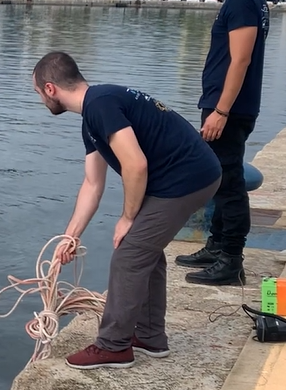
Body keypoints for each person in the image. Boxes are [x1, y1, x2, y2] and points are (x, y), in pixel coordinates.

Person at [33, 52, 222, 370]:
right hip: (188, 176)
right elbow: (93, 184)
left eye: (37, 92)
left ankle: (113, 345)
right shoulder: (94, 114)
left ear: (50, 88)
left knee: (129, 254)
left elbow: (136, 165)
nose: (40, 99)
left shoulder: (101, 105)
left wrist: (128, 217)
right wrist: (70, 237)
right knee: (145, 252)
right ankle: (149, 337)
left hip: (188, 178)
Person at [175, 0, 269, 286]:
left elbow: (240, 58)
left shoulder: (242, 0)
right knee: (217, 176)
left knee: (229, 182)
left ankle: (231, 259)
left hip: (228, 108)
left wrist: (221, 110)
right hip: (224, 104)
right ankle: (216, 245)